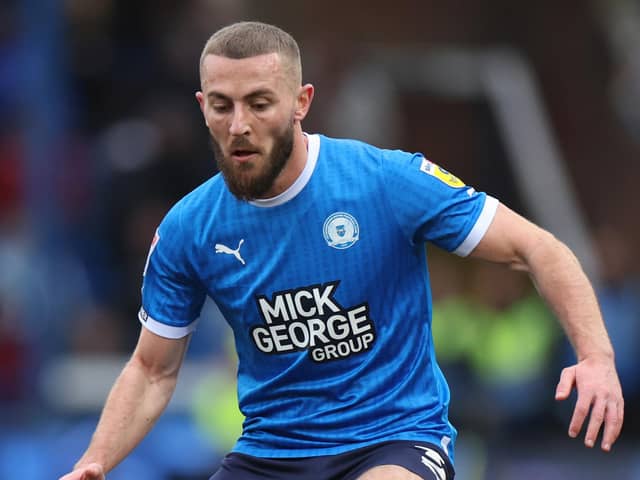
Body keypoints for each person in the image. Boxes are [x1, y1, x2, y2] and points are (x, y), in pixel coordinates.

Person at [60, 21, 624, 480]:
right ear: (202, 105)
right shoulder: (188, 228)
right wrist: (94, 462)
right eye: (223, 106)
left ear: (302, 101)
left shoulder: (385, 181)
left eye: (260, 103)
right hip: (270, 455)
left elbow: (540, 248)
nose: (240, 126)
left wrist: (595, 357)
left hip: (393, 443)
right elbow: (152, 371)